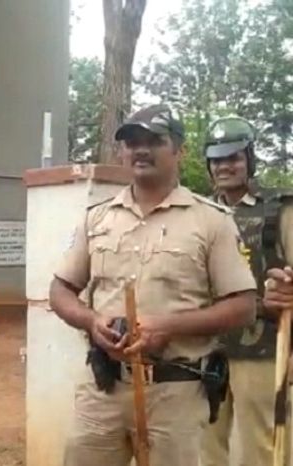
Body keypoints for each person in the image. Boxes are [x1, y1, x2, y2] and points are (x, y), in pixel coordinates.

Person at [49, 104, 258, 466]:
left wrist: (167, 326)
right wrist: (91, 321)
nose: (140, 150)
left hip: (176, 392)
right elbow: (60, 291)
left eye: (154, 141)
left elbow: (243, 306)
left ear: (180, 150)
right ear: (121, 151)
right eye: (131, 142)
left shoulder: (211, 221)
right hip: (103, 389)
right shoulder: (96, 218)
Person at [199, 116, 293, 465]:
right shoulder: (199, 212)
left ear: (250, 159)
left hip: (263, 346)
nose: (225, 166)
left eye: (234, 157)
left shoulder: (278, 209)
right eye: (217, 159)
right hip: (207, 345)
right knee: (205, 441)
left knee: (264, 446)